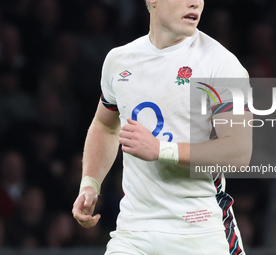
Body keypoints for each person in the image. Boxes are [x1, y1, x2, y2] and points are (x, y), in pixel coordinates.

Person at [72, 0, 253, 254]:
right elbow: (105, 125)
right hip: (134, 233)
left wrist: (161, 149)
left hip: (200, 232)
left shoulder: (221, 64)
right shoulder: (119, 60)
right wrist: (90, 184)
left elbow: (238, 152)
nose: (195, 3)